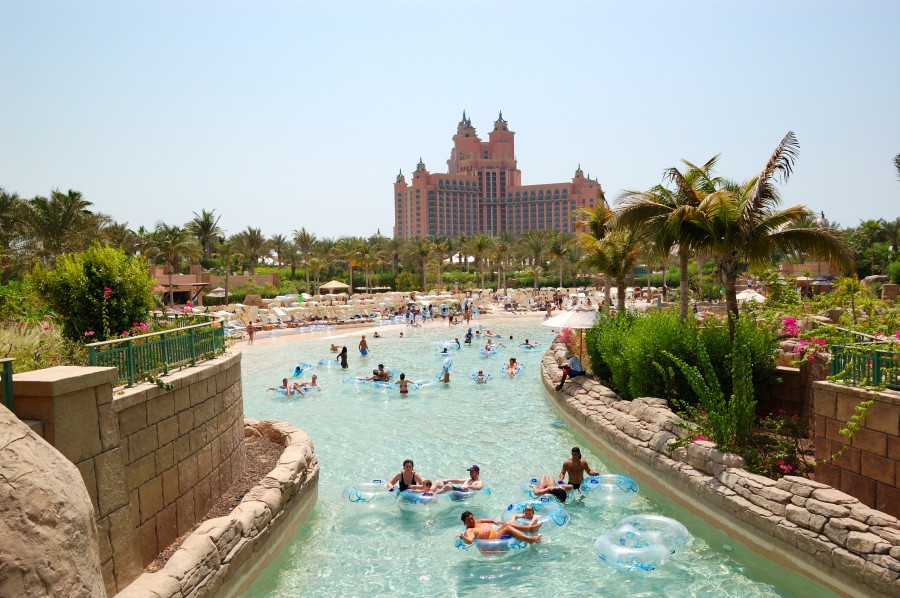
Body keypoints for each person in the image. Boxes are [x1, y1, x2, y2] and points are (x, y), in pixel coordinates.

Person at [457, 511, 542, 546]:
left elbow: (484, 520)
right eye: (468, 520)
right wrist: (463, 537)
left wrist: (493, 521)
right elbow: (469, 541)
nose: (472, 521)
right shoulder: (469, 530)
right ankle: (529, 539)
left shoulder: (477, 522)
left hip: (496, 534)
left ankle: (529, 528)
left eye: (472, 518)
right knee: (508, 527)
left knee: (508, 523)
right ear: (465, 523)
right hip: (492, 542)